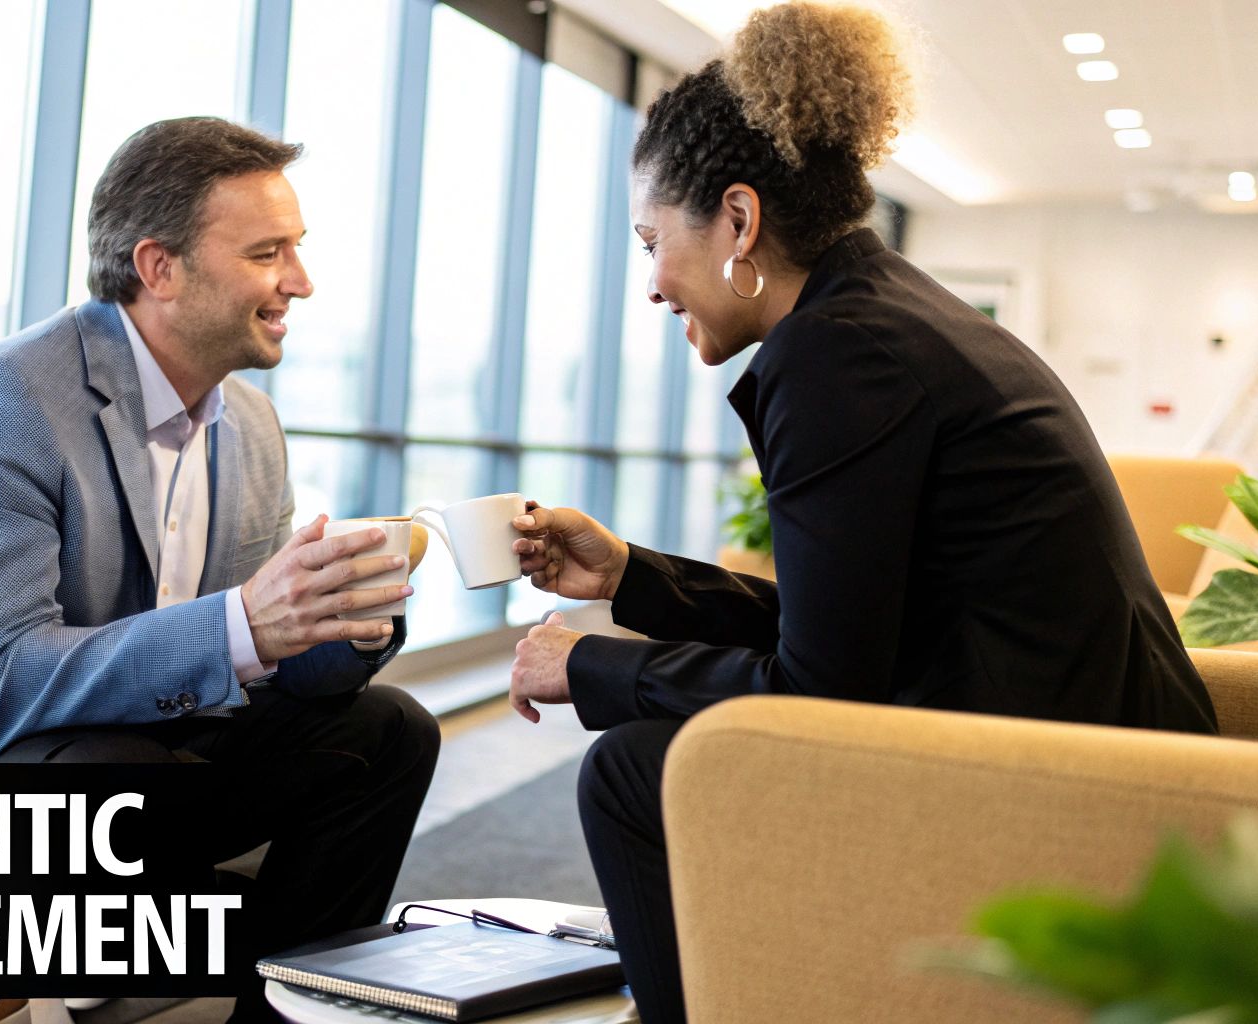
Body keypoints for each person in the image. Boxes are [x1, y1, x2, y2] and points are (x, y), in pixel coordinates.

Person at [504, 4, 1218, 1022]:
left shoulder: (841, 354)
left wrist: (589, 665)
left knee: (632, 773)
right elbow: (839, 630)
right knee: (662, 756)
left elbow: (821, 687)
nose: (653, 283)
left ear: (738, 222)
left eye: (652, 239)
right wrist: (627, 576)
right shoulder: (878, 312)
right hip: (1084, 742)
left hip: (1068, 788)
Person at [0, 117, 440, 1023]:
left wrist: (343, 623)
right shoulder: (0, 401)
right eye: (268, 253)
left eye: (297, 251)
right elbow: (1, 685)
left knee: (388, 732)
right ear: (159, 267)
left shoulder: (252, 425)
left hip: (141, 753)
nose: (300, 283)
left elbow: (263, 662)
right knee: (121, 771)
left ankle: (278, 1011)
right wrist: (245, 624)